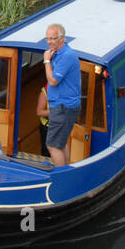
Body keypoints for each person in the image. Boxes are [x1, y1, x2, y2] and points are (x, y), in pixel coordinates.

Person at [43, 23, 81, 168]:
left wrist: (46, 61)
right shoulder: (58, 53)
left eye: (53, 38)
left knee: (52, 145)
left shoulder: (66, 56)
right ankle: (65, 171)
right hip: (62, 106)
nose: (49, 42)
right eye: (48, 38)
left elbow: (52, 81)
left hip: (63, 107)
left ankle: (60, 178)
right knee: (61, 142)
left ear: (62, 39)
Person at [36, 85, 50, 154]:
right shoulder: (45, 91)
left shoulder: (68, 88)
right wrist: (56, 112)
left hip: (63, 127)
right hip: (48, 128)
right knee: (47, 153)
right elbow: (39, 112)